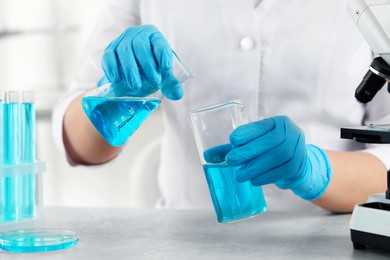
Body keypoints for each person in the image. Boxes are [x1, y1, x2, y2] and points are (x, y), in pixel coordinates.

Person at [52, 0, 390, 213]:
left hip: (326, 239)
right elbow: (78, 145)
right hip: (185, 241)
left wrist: (312, 170)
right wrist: (117, 97)